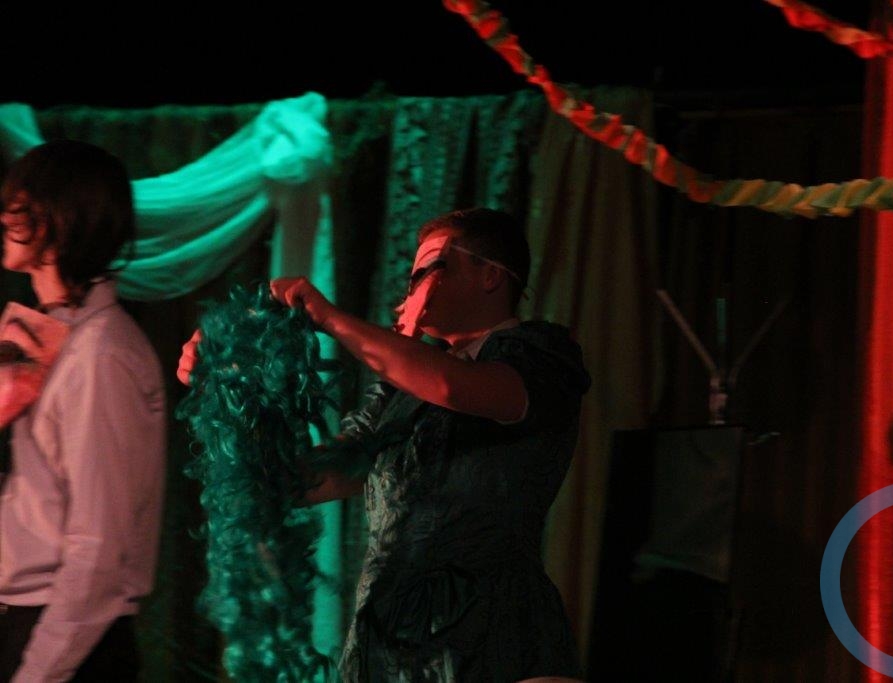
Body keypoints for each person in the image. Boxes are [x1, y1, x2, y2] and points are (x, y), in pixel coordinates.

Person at [179, 207, 591, 682]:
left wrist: (330, 318)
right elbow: (312, 479)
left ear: (491, 276)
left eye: (430, 269)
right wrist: (230, 381)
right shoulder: (400, 395)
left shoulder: (539, 356)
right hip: (395, 634)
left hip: (493, 628)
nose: (412, 288)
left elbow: (453, 387)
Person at [0, 140, 167, 682]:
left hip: (65, 638)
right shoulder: (42, 335)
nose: (3, 218)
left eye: (19, 205)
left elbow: (99, 548)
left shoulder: (101, 354)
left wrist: (36, 674)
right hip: (24, 618)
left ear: (58, 218)